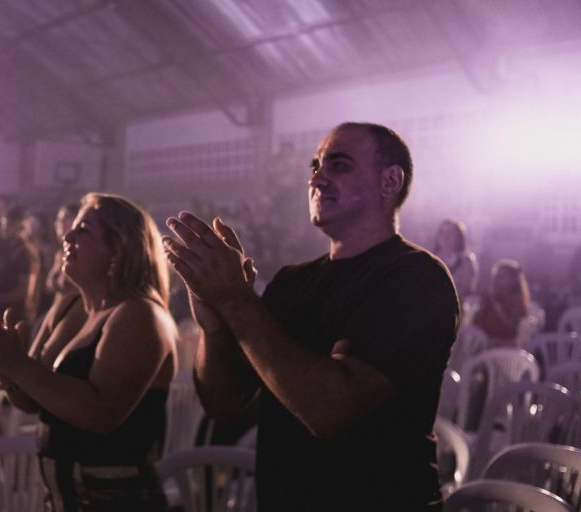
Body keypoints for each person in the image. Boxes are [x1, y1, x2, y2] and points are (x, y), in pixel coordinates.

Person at [163, 122, 459, 511]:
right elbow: (224, 401)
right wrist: (216, 325)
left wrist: (236, 300)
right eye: (315, 166)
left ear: (389, 181)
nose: (317, 178)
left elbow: (328, 409)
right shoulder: (292, 281)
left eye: (339, 164)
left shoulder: (416, 277)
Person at [0, 192, 177, 512]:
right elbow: (30, 401)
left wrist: (16, 365)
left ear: (120, 248)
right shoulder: (69, 306)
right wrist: (2, 366)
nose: (67, 236)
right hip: (62, 499)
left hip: (118, 501)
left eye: (83, 230)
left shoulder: (140, 315)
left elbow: (99, 414)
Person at [0, 205, 42, 323]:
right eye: (4, 224)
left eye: (8, 224)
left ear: (19, 226)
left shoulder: (25, 252)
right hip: (2, 312)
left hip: (16, 315)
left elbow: (24, 291)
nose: (4, 228)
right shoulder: (8, 249)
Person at [473, 259, 529, 346]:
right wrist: (482, 307)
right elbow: (475, 323)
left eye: (502, 276)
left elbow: (513, 328)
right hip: (483, 341)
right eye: (496, 276)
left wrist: (497, 305)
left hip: (503, 346)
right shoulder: (489, 297)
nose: (497, 279)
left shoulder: (516, 301)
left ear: (513, 280)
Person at [433, 218, 478, 300]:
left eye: (450, 232)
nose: (445, 236)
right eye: (442, 232)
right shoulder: (430, 259)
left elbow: (466, 289)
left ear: (458, 238)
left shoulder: (466, 261)